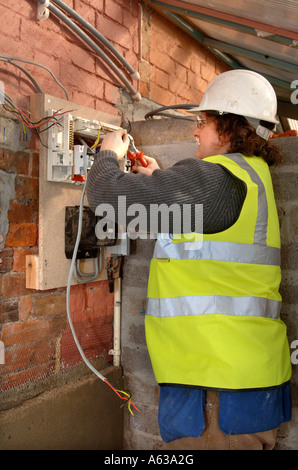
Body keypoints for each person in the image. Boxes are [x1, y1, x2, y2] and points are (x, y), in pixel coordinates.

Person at [86, 69, 292, 450]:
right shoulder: (247, 177)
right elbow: (202, 235)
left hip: (215, 391)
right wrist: (161, 180)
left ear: (231, 127)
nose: (196, 132)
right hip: (233, 382)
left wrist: (107, 154)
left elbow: (105, 195)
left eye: (203, 122)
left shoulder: (216, 180)